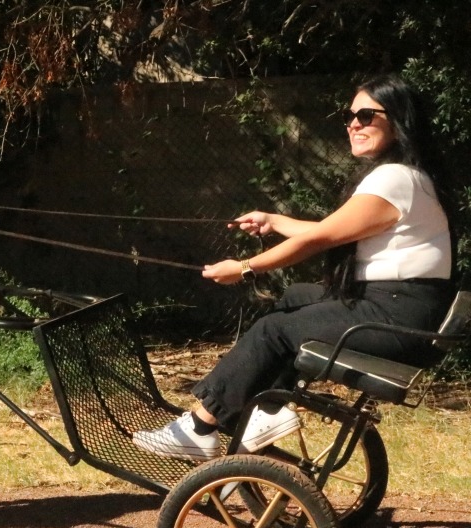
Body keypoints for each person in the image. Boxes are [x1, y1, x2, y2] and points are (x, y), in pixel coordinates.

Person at [133, 74, 454, 460]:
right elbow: (331, 231)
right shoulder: (408, 176)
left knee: (275, 329)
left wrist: (246, 267)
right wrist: (273, 221)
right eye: (349, 116)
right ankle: (268, 410)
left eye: (366, 115)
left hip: (397, 315)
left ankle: (201, 428)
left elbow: (319, 240)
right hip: (405, 310)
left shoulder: (395, 179)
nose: (353, 124)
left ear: (398, 119)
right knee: (296, 296)